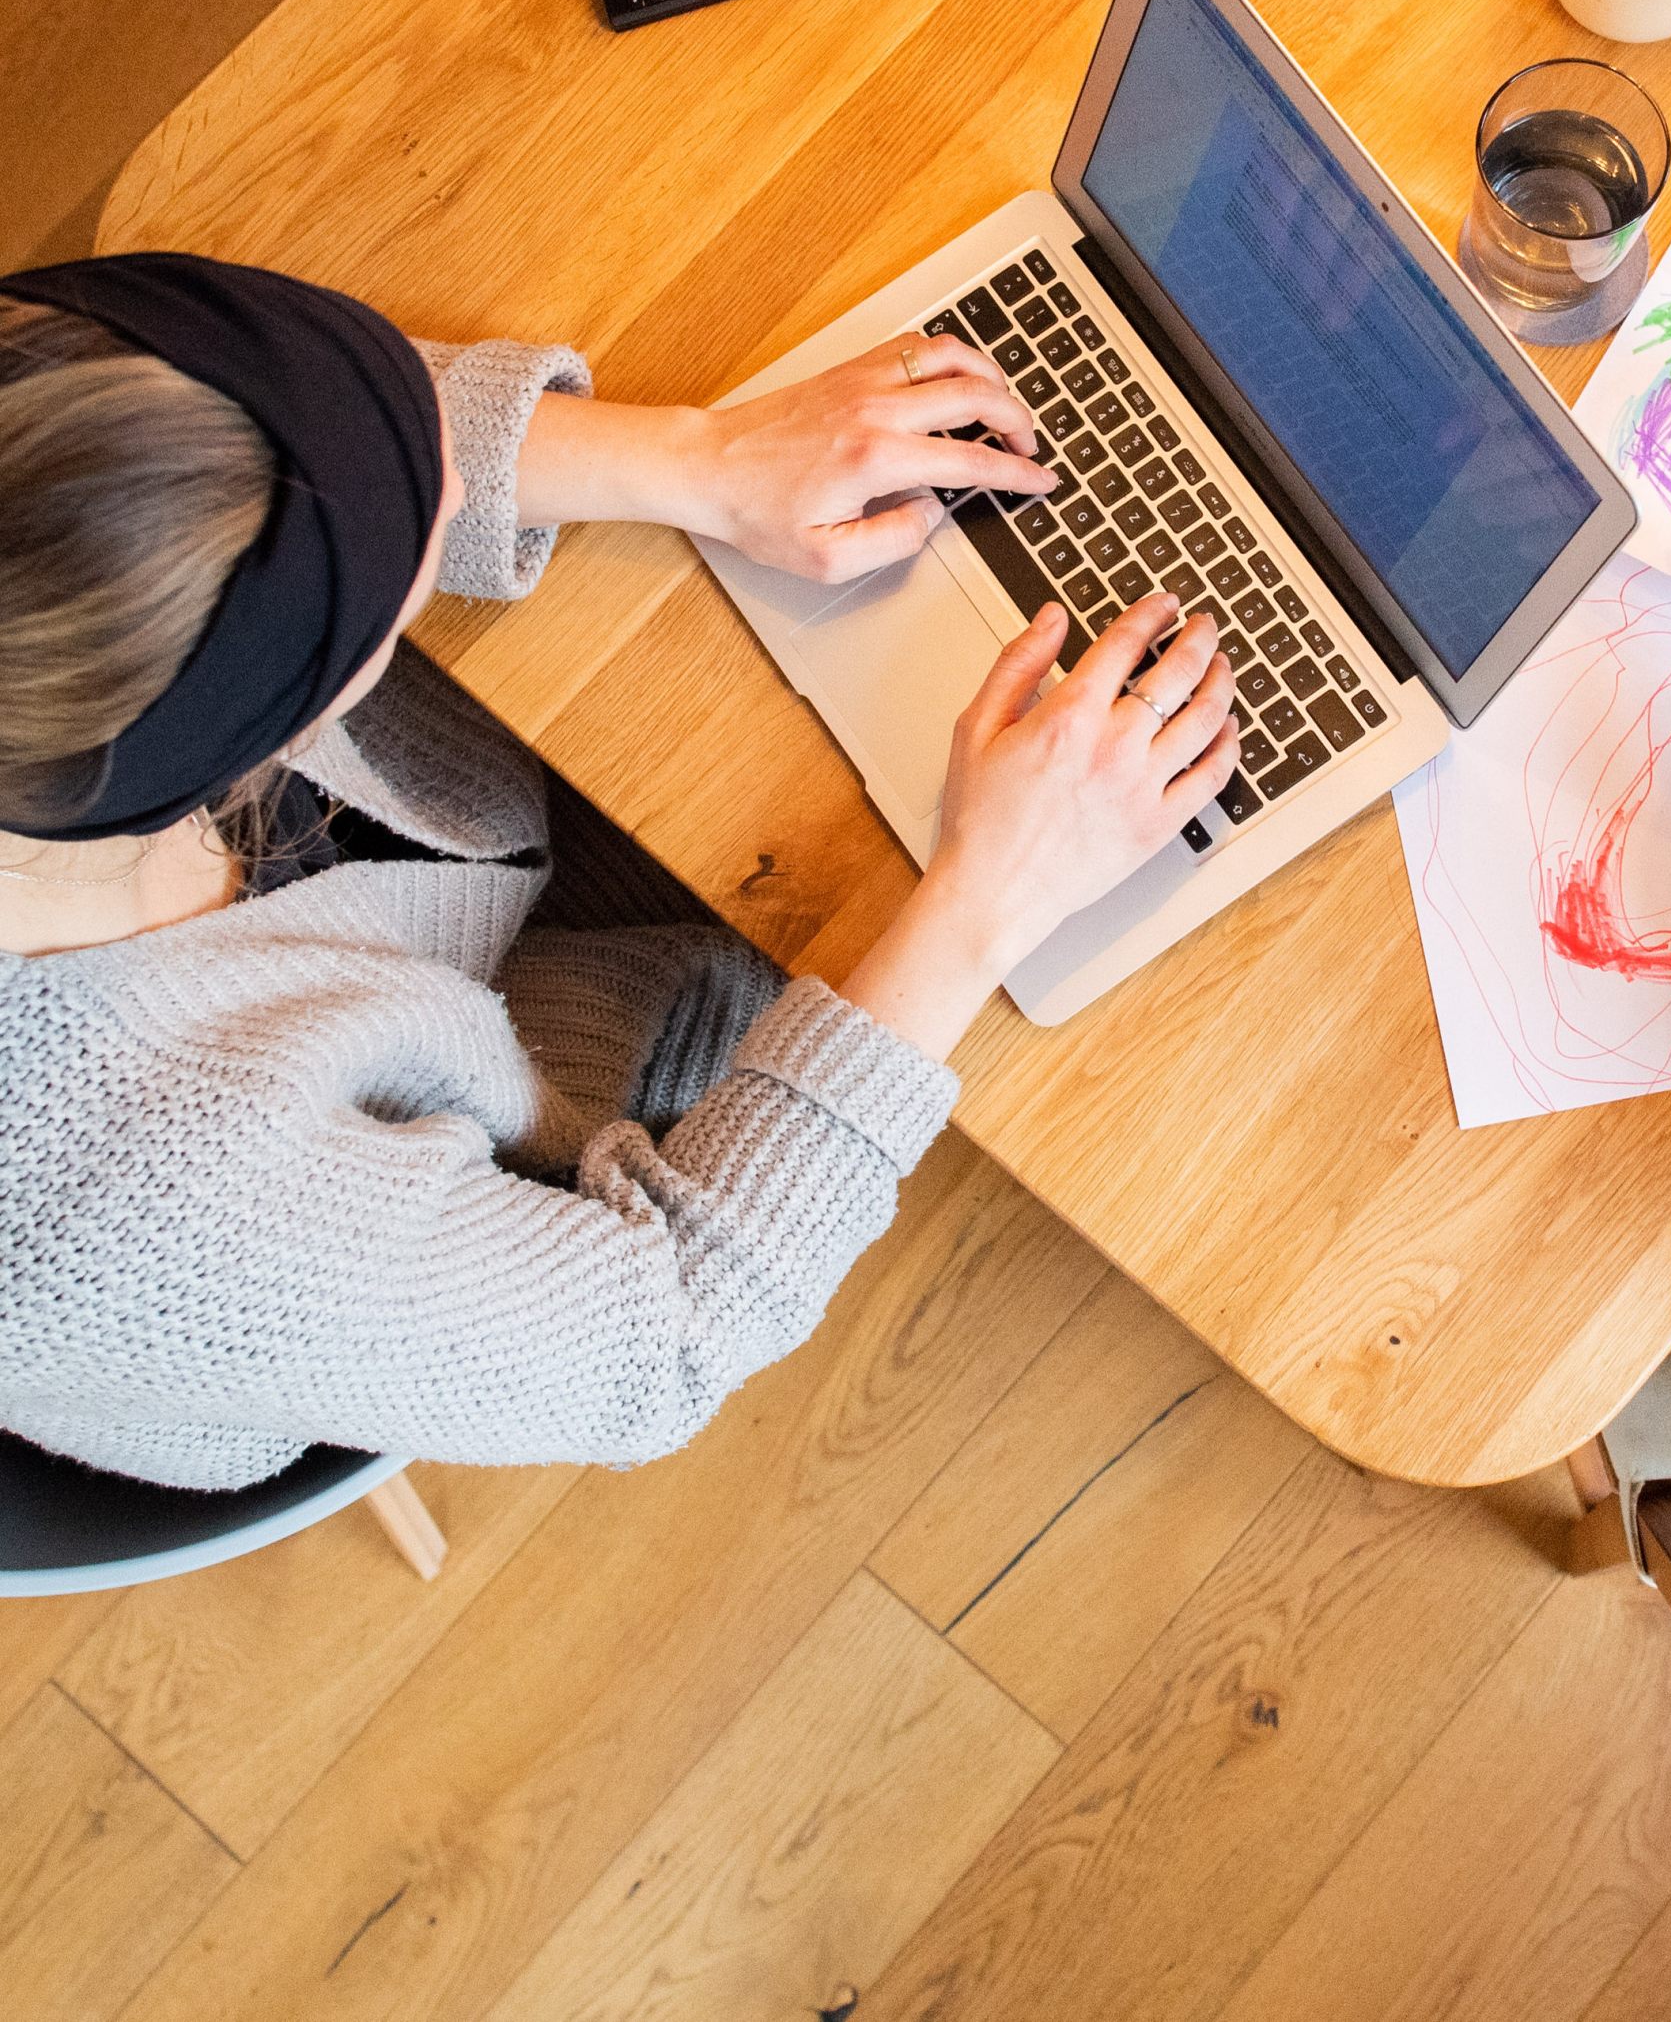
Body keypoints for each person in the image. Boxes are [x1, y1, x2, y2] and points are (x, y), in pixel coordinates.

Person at [0, 252, 1238, 1490]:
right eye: (402, 562)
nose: (455, 499)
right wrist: (991, 894)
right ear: (257, 736)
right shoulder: (143, 1219)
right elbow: (669, 1344)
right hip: (520, 1128)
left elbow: (264, 448)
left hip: (483, 864)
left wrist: (697, 459)